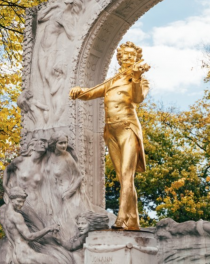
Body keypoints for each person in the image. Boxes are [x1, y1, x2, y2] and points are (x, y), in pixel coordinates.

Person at [69, 41, 150, 230]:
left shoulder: (140, 79)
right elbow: (90, 93)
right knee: (123, 179)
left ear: (137, 58)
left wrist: (137, 78)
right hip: (111, 131)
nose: (128, 58)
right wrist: (79, 92)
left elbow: (138, 99)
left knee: (127, 175)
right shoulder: (112, 81)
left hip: (128, 127)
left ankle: (121, 217)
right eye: (125, 55)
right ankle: (133, 221)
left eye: (132, 55)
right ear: (120, 58)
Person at [3, 186, 66, 264]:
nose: (22, 204)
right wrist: (49, 228)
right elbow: (30, 236)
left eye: (23, 202)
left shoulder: (6, 215)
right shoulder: (16, 216)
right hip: (25, 254)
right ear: (11, 199)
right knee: (55, 261)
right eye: (19, 201)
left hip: (17, 253)